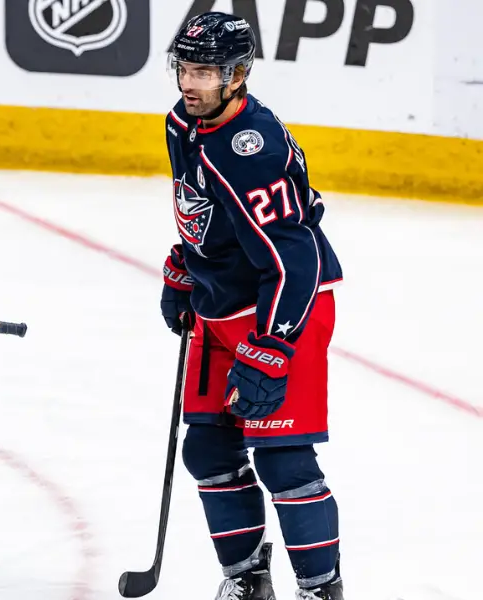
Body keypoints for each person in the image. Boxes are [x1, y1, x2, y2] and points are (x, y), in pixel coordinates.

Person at [159, 12, 346, 600]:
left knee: (284, 458)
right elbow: (208, 210)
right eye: (185, 68)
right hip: (223, 306)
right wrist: (186, 265)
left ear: (236, 74)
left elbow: (293, 260)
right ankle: (247, 581)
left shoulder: (253, 145)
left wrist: (273, 346)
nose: (191, 83)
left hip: (285, 307)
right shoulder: (180, 123)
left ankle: (321, 589)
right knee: (209, 448)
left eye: (206, 71)